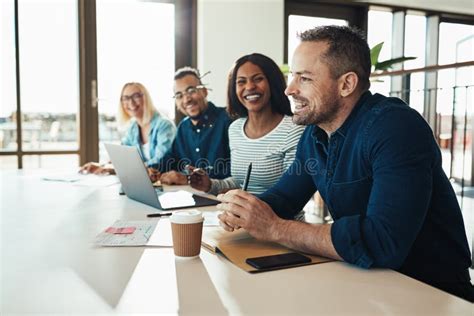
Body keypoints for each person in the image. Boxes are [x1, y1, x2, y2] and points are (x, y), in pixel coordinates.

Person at [216, 25, 473, 302]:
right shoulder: (315, 134)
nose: (289, 89)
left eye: (304, 78)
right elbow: (284, 197)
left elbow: (382, 242)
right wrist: (245, 210)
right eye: (293, 76)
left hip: (430, 293)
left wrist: (275, 228)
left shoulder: (395, 127)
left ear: (346, 84)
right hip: (366, 283)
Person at [190, 53, 304, 195]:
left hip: (276, 216)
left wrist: (246, 206)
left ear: (272, 83)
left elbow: (291, 193)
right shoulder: (235, 128)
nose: (249, 87)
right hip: (242, 215)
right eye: (241, 82)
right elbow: (240, 182)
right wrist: (210, 184)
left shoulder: (293, 130)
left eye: (258, 79)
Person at [149, 67, 232, 184]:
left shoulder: (228, 120)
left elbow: (235, 173)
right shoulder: (183, 127)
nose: (186, 99)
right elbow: (170, 159)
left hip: (224, 197)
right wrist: (153, 170)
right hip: (194, 197)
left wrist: (188, 179)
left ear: (204, 91)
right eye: (179, 95)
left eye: (191, 90)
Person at [80, 82, 176, 174]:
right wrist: (102, 165)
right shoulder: (133, 127)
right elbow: (122, 158)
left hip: (167, 184)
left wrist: (114, 169)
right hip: (144, 182)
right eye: (125, 98)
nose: (131, 102)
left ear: (146, 98)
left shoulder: (164, 125)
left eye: (136, 96)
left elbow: (160, 162)